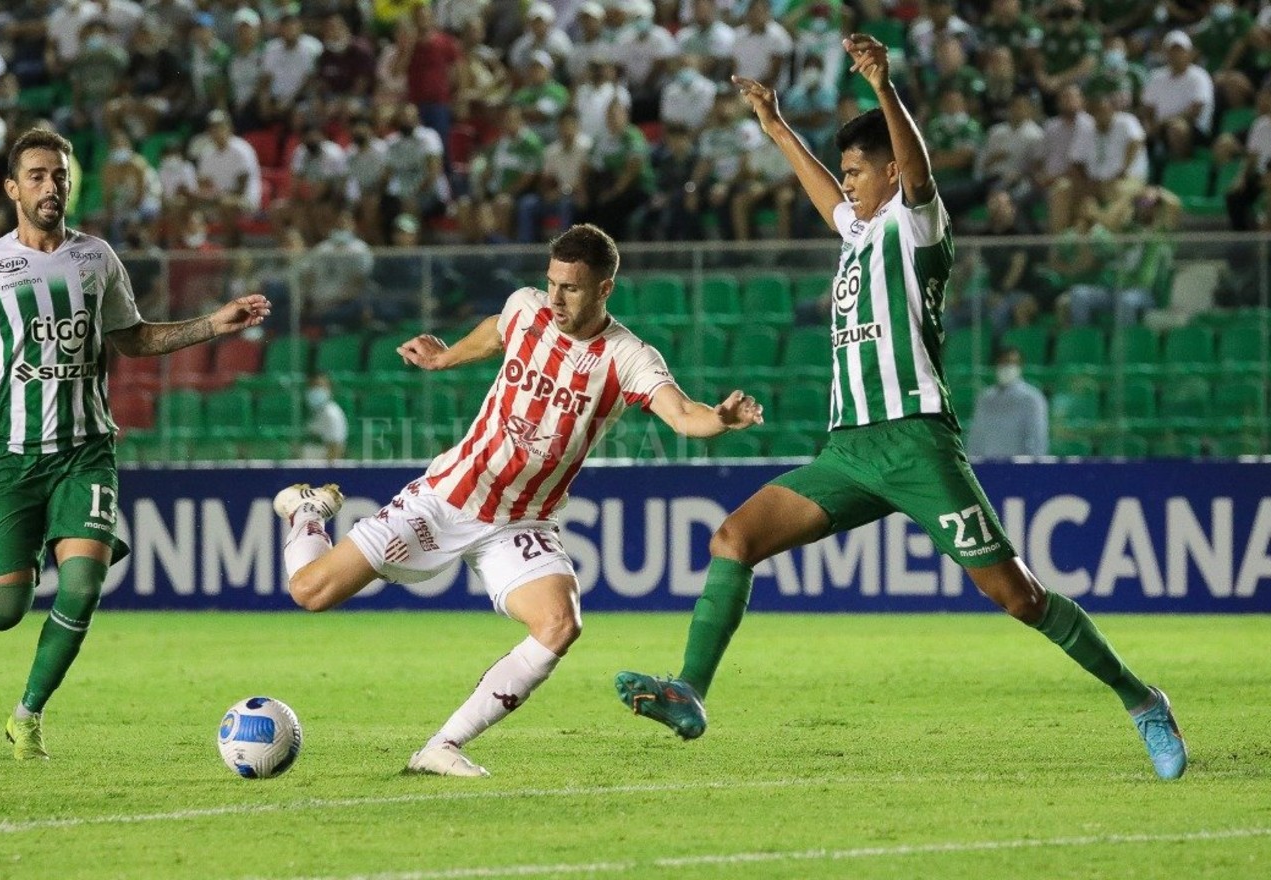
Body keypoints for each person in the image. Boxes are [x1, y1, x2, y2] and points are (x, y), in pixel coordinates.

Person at [613, 36, 1188, 782]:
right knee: (733, 540)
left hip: (916, 442)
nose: (845, 182)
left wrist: (884, 88)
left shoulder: (917, 226)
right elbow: (824, 194)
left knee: (1016, 597)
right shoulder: (857, 232)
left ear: (889, 169)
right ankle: (689, 691)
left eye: (856, 169)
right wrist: (776, 127)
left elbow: (915, 173)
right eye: (844, 171)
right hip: (849, 450)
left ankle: (1141, 699)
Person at [273, 224, 763, 777]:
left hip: (522, 521)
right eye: (551, 283)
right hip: (448, 496)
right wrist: (445, 358)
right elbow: (495, 331)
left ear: (605, 290)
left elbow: (680, 413)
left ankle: (442, 746)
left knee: (559, 622)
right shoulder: (526, 308)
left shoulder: (626, 357)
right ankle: (308, 512)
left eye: (572, 288)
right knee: (309, 593)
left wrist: (718, 420)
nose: (555, 298)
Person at [0, 128, 270, 761]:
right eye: (39, 176)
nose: (52, 187)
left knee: (80, 588)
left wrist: (214, 323)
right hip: (13, 458)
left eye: (61, 176)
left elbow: (134, 338)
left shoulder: (96, 258)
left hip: (86, 452)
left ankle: (27, 715)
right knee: (1, 612)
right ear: (14, 188)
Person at [965, 347, 1048, 458]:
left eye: (1012, 363)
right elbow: (976, 437)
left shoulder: (1032, 399)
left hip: (1019, 467)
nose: (1007, 368)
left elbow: (1038, 439)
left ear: (1020, 366)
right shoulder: (985, 399)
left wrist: (1033, 468)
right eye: (1003, 363)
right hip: (987, 467)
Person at [301, 372, 349, 461]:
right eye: (312, 385)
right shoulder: (315, 412)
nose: (315, 389)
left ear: (329, 388)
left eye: (319, 385)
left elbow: (337, 448)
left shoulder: (332, 413)